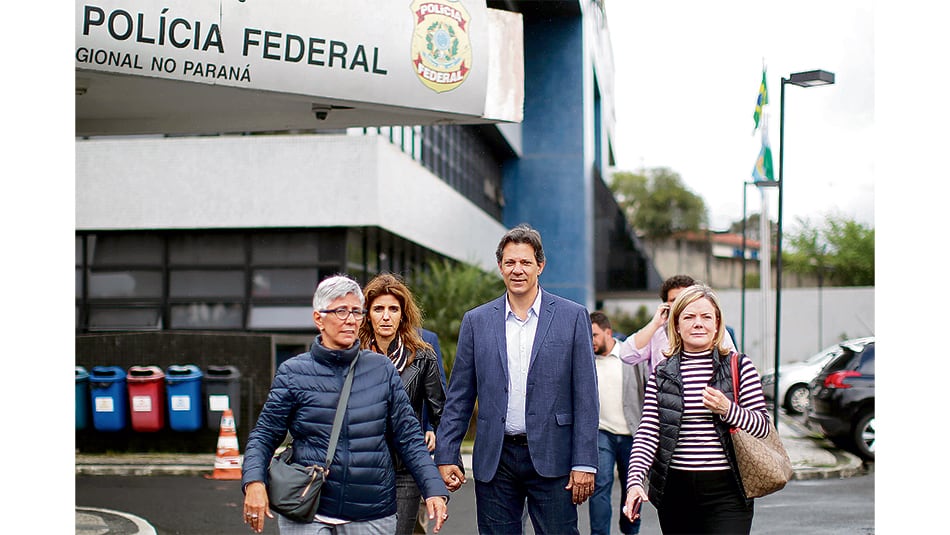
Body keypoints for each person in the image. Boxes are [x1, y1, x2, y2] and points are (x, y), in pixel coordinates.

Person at [241, 275, 449, 534]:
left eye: (356, 312)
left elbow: (409, 437)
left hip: (370, 513)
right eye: (341, 311)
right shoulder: (293, 372)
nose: (350, 320)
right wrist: (254, 482)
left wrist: (434, 488)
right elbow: (264, 435)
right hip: (308, 508)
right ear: (319, 319)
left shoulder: (381, 370)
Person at [434, 224, 600, 535]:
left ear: (540, 265)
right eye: (510, 262)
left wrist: (584, 462)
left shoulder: (572, 317)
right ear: (500, 267)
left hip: (554, 457)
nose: (517, 270)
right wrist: (446, 453)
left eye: (525, 262)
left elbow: (586, 397)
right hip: (496, 459)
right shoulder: (476, 321)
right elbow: (459, 396)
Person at [622, 284, 769, 534]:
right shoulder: (662, 372)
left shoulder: (740, 366)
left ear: (717, 324)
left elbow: (762, 426)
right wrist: (635, 481)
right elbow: (648, 432)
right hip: (675, 490)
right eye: (689, 317)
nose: (698, 323)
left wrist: (727, 409)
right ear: (677, 325)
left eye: (706, 317)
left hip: (729, 490)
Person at [358, 273, 447, 535]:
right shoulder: (352, 355)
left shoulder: (423, 356)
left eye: (393, 309)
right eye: (378, 309)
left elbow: (442, 412)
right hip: (360, 469)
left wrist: (447, 461)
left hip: (405, 470)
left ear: (403, 314)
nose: (386, 316)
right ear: (367, 314)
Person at [589, 311, 650, 535]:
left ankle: (630, 531)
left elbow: (648, 388)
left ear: (608, 332)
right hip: (602, 432)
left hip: (633, 434)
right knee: (600, 485)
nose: (591, 341)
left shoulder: (629, 355)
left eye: (595, 335)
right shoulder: (587, 360)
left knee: (631, 487)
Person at [618, 275, 736, 371]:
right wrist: (655, 323)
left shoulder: (711, 329)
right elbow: (626, 355)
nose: (680, 303)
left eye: (685, 298)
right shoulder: (656, 332)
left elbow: (732, 365)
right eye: (674, 300)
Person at [414, 328, 448, 535]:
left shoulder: (426, 339)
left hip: (418, 438)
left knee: (415, 517)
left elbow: (436, 390)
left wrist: (431, 428)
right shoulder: (364, 339)